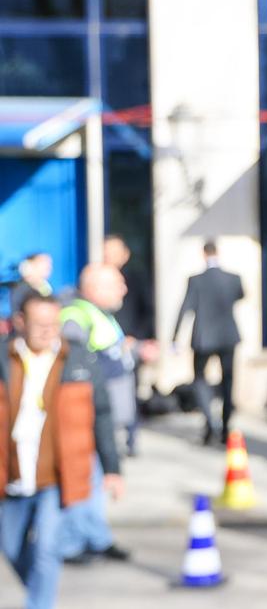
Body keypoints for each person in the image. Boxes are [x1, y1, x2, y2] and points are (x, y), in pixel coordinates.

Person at [1, 295, 122, 609]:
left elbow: (102, 415)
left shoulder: (78, 359)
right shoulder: (4, 357)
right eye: (39, 324)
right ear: (20, 322)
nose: (47, 331)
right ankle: (39, 594)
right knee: (11, 548)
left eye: (53, 324)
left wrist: (112, 469)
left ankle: (39, 604)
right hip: (12, 476)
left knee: (47, 549)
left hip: (56, 477)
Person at [57, 264, 133, 565]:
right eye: (117, 284)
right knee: (82, 478)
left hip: (102, 417)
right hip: (87, 417)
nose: (123, 289)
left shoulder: (100, 314)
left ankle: (96, 537)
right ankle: (72, 542)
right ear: (94, 288)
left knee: (97, 480)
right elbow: (72, 365)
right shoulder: (77, 316)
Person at [172, 241, 244, 446]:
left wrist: (175, 338)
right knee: (228, 381)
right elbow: (240, 296)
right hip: (227, 336)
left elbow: (185, 308)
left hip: (204, 337)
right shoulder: (233, 278)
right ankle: (225, 426)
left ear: (204, 254)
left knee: (200, 379)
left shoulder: (196, 280)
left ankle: (211, 422)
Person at [102, 234, 158, 455]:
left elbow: (148, 310)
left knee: (130, 390)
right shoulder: (96, 277)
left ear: (125, 254)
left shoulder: (136, 278)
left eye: (113, 251)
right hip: (105, 348)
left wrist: (137, 337)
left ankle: (131, 438)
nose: (109, 256)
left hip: (129, 344)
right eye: (106, 251)